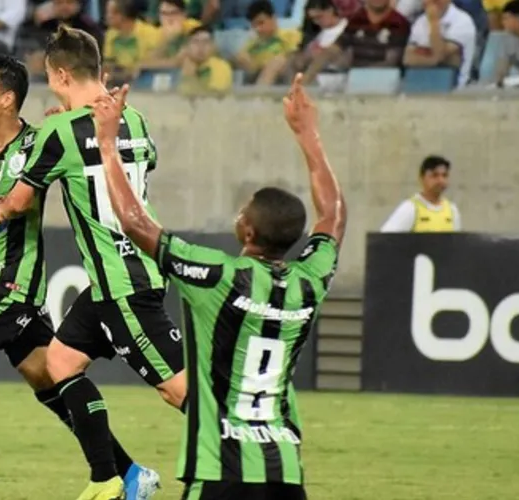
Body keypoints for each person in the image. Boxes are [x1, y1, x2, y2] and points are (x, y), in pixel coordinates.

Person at [91, 73, 345, 500]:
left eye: (243, 211)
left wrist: (106, 144)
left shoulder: (216, 276)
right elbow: (333, 216)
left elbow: (135, 224)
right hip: (284, 473)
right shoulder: (311, 280)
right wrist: (309, 134)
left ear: (246, 230)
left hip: (220, 472)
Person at [0, 55, 155, 500]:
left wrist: (74, 115)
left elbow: (65, 160)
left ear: (7, 99)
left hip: (12, 288)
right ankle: (129, 472)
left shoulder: (38, 143)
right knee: (51, 384)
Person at [0, 25, 184, 500]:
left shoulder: (57, 132)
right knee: (60, 361)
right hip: (114, 280)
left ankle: (247, 458)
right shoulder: (134, 119)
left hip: (124, 283)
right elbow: (137, 165)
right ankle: (109, 480)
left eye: (49, 77)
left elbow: (17, 202)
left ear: (59, 73)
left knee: (180, 392)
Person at [380, 155, 461, 232]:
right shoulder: (410, 208)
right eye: (434, 175)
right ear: (421, 178)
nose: (440, 180)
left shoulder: (452, 210)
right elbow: (385, 240)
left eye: (444, 175)